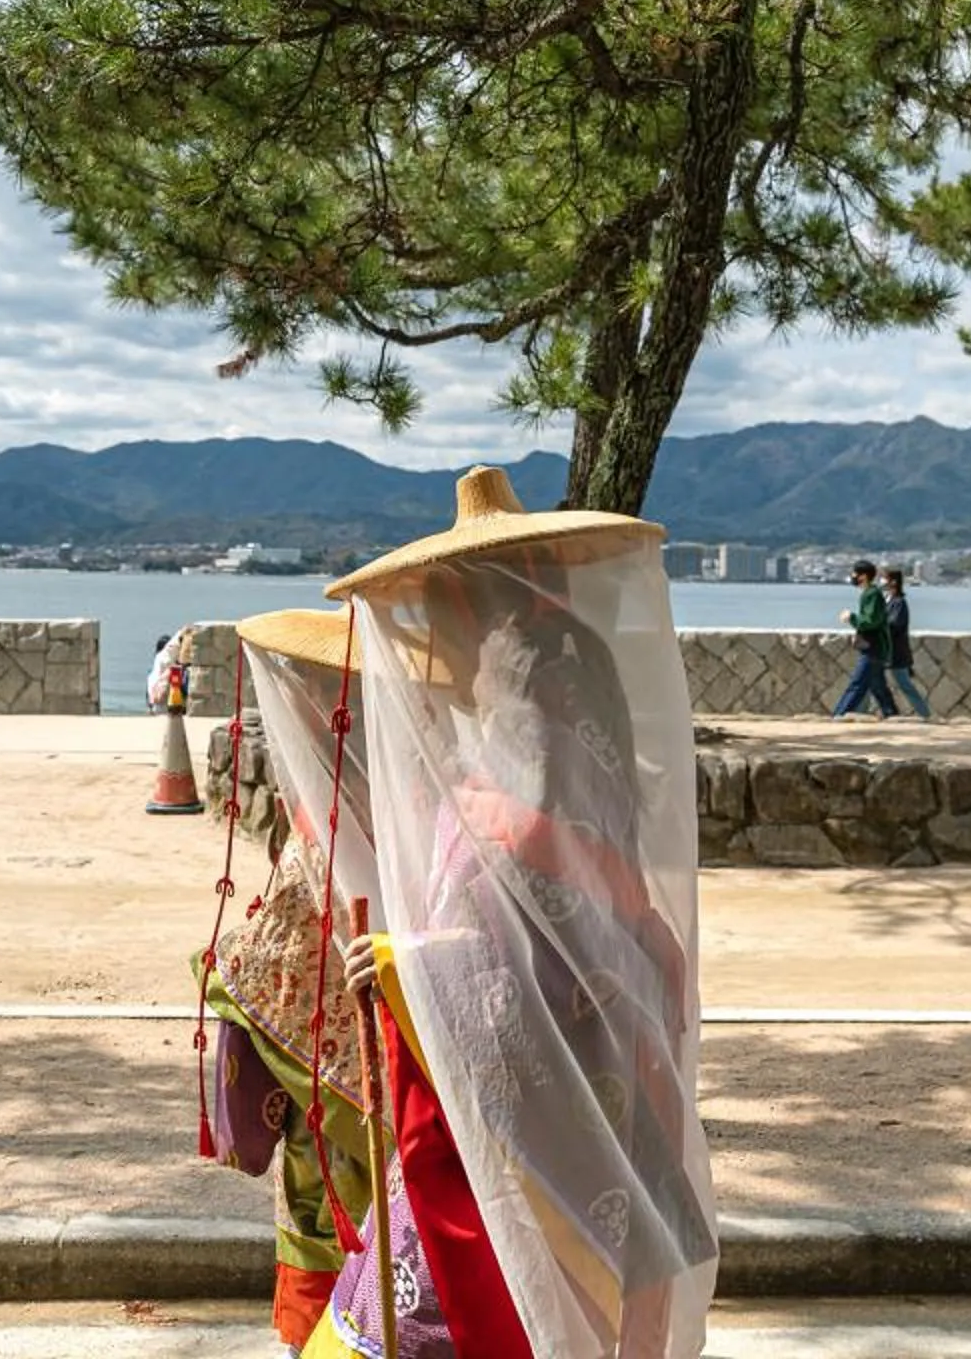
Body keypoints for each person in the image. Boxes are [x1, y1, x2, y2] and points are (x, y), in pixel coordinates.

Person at [316, 466, 718, 1359]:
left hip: (543, 1062)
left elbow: (538, 893)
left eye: (440, 603)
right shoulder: (573, 662)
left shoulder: (523, 671)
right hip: (598, 1024)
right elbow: (577, 870)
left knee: (490, 1297)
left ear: (468, 593)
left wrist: (410, 961)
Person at [198, 607, 382, 1354]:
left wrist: (233, 967)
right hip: (402, 1074)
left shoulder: (319, 822)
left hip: (324, 1089)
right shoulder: (412, 813)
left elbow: (276, 955)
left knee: (324, 1217)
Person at [830, 559, 896, 719]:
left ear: (863, 576)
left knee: (857, 683)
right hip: (875, 646)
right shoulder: (870, 593)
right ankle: (891, 715)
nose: (852, 576)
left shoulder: (872, 594)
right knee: (877, 686)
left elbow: (870, 621)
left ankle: (839, 714)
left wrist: (850, 618)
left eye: (854, 573)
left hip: (873, 647)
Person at [881, 568, 932, 719]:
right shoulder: (887, 600)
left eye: (884, 578)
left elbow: (895, 625)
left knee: (905, 685)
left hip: (896, 653)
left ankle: (925, 714)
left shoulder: (899, 603)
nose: (882, 582)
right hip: (884, 651)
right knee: (872, 682)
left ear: (894, 582)